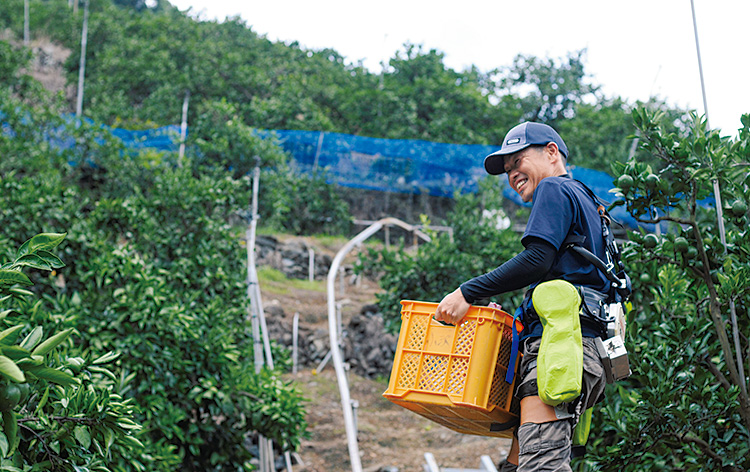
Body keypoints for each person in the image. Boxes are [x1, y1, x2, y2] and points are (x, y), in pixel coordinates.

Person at [434, 121, 610, 472]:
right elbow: (566, 274)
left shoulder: (554, 190)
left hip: (560, 349)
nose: (512, 173)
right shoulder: (590, 202)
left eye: (518, 161)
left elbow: (536, 260)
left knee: (541, 466)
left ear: (551, 152)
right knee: (517, 465)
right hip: (583, 348)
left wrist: (468, 292)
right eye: (508, 169)